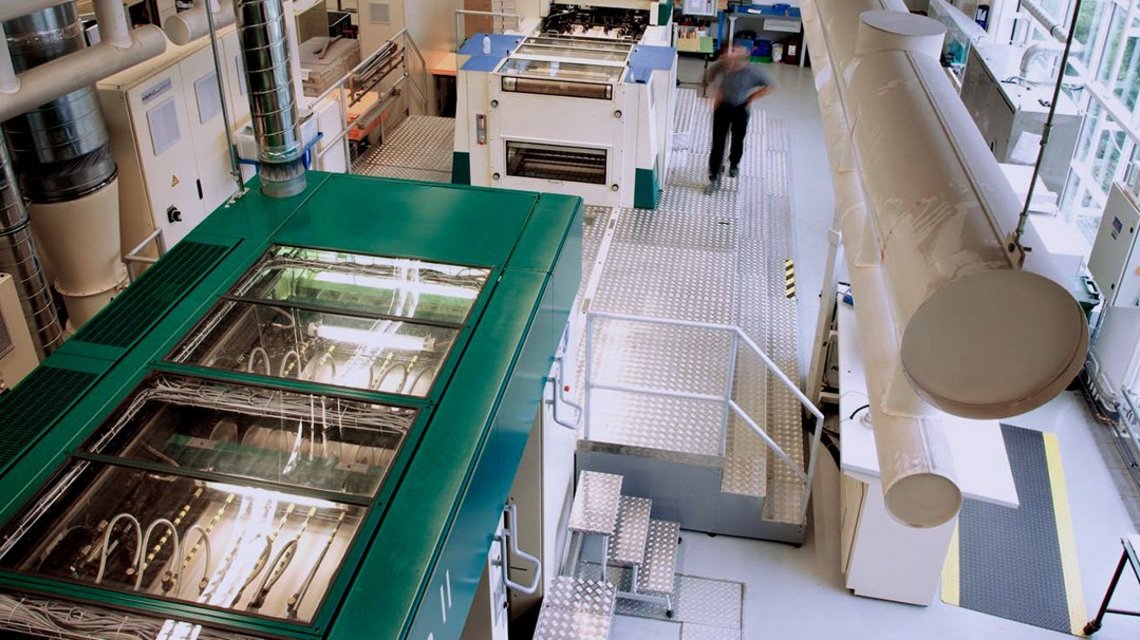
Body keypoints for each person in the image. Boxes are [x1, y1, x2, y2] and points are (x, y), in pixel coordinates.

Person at [703, 44, 774, 189]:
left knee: (738, 139)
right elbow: (709, 75)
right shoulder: (723, 65)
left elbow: (771, 85)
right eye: (730, 60)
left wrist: (752, 97)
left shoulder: (753, 72)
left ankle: (734, 163)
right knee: (718, 142)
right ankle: (714, 176)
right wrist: (716, 92)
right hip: (722, 107)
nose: (731, 65)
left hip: (740, 108)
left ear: (743, 61)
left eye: (735, 61)